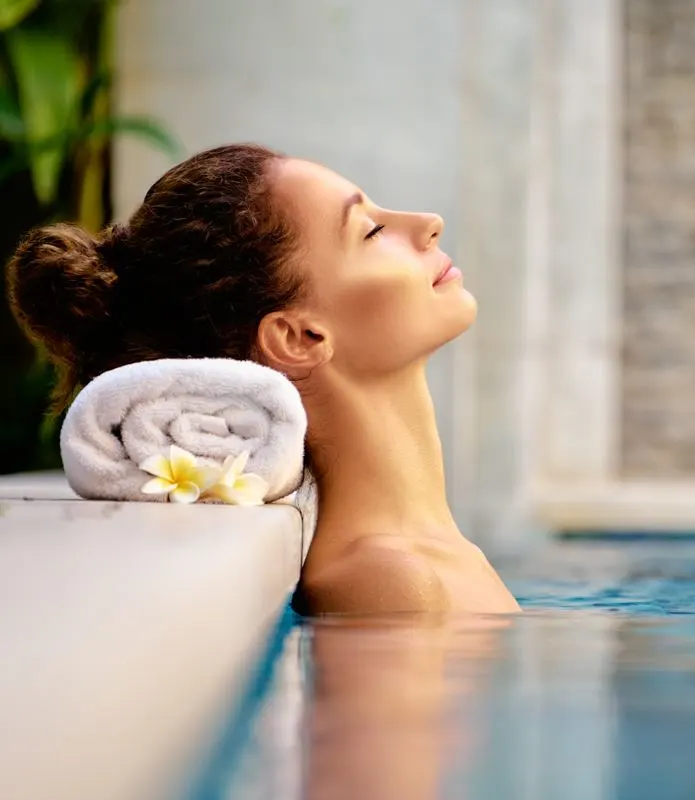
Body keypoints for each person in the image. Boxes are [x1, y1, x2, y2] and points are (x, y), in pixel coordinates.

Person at [7, 143, 520, 615]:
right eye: (370, 231)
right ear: (300, 338)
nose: (429, 223)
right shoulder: (387, 581)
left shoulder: (435, 560)